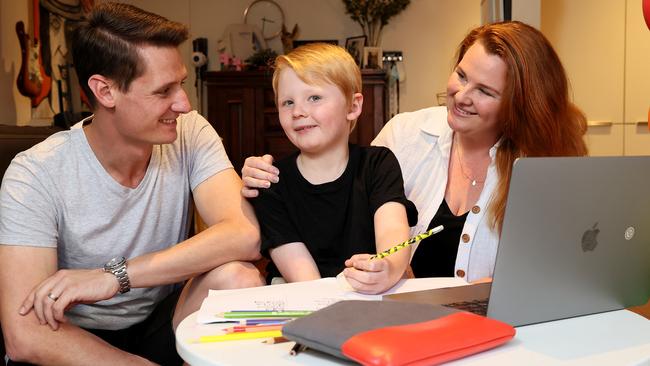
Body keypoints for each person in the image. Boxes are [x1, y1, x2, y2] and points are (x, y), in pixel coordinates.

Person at [0, 3, 263, 365]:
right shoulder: (35, 173)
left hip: (160, 321)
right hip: (74, 339)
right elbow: (24, 332)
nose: (184, 104)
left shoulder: (190, 132)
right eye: (163, 91)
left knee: (239, 279)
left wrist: (115, 277)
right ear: (105, 91)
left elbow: (245, 235)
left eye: (182, 84)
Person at [241, 21, 587, 283]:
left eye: (484, 90)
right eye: (461, 75)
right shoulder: (404, 134)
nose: (461, 95)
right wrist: (261, 175)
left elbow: (555, 273)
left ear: (518, 105)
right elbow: (347, 199)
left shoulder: (539, 165)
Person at [250, 43, 417, 294]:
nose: (298, 112)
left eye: (314, 98)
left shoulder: (378, 164)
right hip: (301, 299)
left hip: (370, 293)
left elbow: (393, 229)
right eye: (287, 102)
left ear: (353, 106)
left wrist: (388, 267)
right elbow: (304, 279)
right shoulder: (271, 181)